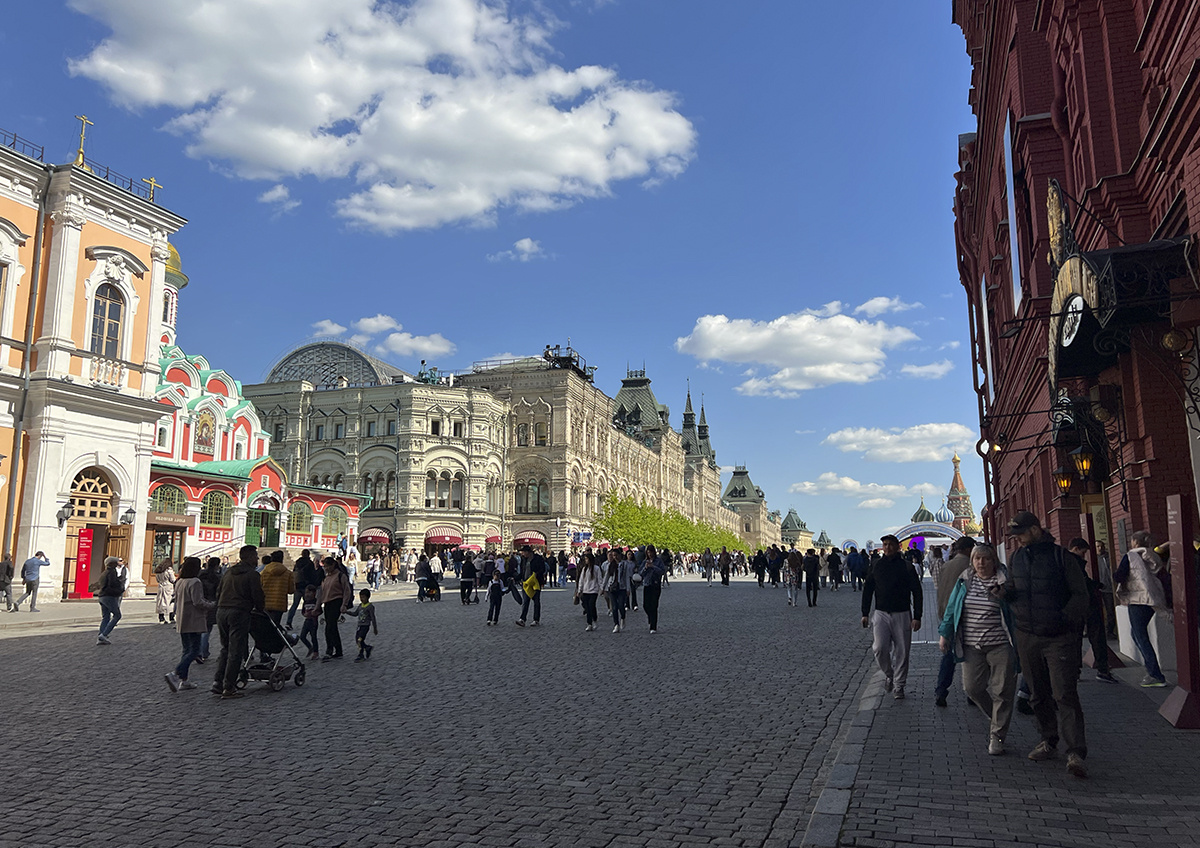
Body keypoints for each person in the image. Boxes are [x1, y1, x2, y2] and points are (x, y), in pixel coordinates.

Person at [1003, 510, 1090, 779]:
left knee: (1064, 693)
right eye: (1014, 536)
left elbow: (1080, 595)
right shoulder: (1016, 558)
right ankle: (1048, 740)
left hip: (1057, 637)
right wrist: (1005, 593)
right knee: (1038, 693)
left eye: (1021, 534)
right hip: (1027, 635)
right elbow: (1013, 587)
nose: (1017, 540)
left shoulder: (1061, 557)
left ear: (1035, 530)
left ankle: (1075, 751)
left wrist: (1064, 620)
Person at [938, 544, 1016, 755]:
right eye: (977, 559)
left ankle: (997, 736)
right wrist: (945, 633)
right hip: (972, 644)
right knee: (972, 688)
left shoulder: (1005, 582)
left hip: (1001, 643)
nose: (981, 563)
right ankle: (997, 718)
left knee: (1003, 690)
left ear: (994, 561)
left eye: (986, 559)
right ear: (972, 562)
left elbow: (1016, 608)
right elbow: (953, 608)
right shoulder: (965, 581)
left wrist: (1005, 595)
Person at [860, 535, 923, 700]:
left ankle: (899, 685)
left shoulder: (907, 567)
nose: (887, 548)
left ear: (897, 547)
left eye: (890, 545)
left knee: (902, 652)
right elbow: (868, 589)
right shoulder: (876, 565)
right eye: (885, 544)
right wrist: (865, 613)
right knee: (879, 648)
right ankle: (889, 674)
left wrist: (917, 616)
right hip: (880, 613)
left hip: (902, 613)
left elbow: (917, 592)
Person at [1113, 529, 1170, 688]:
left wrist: (1114, 575)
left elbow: (1119, 576)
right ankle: (1152, 670)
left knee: (1140, 636)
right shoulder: (1153, 555)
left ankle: (1155, 674)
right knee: (1137, 634)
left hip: (1137, 600)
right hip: (1152, 599)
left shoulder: (1130, 556)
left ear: (1135, 542)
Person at [212, 545, 265, 699]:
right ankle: (229, 687)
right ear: (249, 557)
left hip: (222, 611)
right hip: (239, 612)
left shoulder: (228, 572)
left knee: (225, 648)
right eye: (255, 556)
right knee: (236, 650)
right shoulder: (252, 575)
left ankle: (218, 681)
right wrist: (260, 609)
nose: (257, 559)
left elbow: (218, 591)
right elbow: (258, 596)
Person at [1066, 538, 1118, 684]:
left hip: (1075, 606)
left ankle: (1075, 671)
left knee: (1076, 638)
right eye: (1083, 551)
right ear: (1076, 548)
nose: (1084, 555)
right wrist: (1096, 585)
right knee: (1096, 634)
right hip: (1086, 604)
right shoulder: (1074, 562)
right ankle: (1103, 670)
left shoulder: (1065, 561)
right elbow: (1082, 583)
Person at [933, 536, 976, 706]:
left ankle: (941, 690)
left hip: (946, 615)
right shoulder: (970, 566)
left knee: (949, 656)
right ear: (968, 549)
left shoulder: (946, 565)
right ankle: (972, 692)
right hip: (965, 616)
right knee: (970, 657)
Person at [166, 557, 216, 692]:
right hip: (193, 618)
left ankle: (184, 680)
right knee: (194, 649)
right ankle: (176, 673)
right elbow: (198, 602)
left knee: (186, 649)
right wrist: (212, 605)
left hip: (182, 618)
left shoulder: (180, 581)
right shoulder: (195, 582)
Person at [318, 555, 353, 660]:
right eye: (325, 566)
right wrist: (318, 605)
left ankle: (330, 650)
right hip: (327, 603)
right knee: (331, 627)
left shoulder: (340, 576)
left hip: (337, 602)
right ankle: (338, 650)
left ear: (333, 565)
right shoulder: (326, 578)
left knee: (330, 627)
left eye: (328, 566)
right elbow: (322, 592)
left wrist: (344, 604)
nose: (326, 568)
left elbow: (347, 591)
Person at [95, 556, 125, 645]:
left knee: (106, 616)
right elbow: (112, 584)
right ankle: (104, 634)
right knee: (117, 615)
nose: (117, 563)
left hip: (102, 596)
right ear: (112, 563)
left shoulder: (104, 572)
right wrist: (119, 589)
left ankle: (101, 636)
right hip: (109, 596)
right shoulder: (112, 572)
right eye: (116, 562)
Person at [197, 557, 221, 663]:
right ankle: (203, 652)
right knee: (207, 630)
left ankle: (200, 652)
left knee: (200, 629)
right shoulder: (217, 577)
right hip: (212, 604)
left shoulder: (200, 575)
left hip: (201, 603)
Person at [516, 545, 547, 627]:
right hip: (526, 583)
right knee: (525, 601)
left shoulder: (538, 559)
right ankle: (522, 619)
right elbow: (522, 571)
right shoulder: (523, 560)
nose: (522, 554)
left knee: (536, 601)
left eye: (523, 552)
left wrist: (536, 574)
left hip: (535, 583)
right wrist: (517, 578)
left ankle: (536, 619)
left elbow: (543, 569)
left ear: (528, 552)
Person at [639, 545, 668, 634]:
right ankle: (650, 618)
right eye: (648, 552)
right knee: (646, 605)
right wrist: (646, 568)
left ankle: (653, 626)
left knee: (654, 605)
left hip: (655, 585)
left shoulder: (658, 561)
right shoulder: (645, 562)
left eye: (651, 552)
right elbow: (641, 574)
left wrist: (653, 567)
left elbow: (662, 572)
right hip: (647, 584)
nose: (650, 554)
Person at [286, 549, 317, 629]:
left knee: (295, 604)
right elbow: (313, 575)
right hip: (306, 586)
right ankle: (309, 620)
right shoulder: (309, 563)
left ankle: (288, 622)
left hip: (297, 585)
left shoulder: (297, 562)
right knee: (308, 603)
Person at [260, 550, 292, 628]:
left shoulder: (263, 572)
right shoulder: (288, 573)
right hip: (279, 603)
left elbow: (259, 586)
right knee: (275, 627)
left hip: (265, 602)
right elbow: (291, 590)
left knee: (265, 626)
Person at [604, 548, 631, 633]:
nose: (614, 557)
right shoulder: (610, 565)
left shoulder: (624, 564)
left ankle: (623, 617)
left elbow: (627, 577)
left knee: (621, 606)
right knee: (614, 607)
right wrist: (603, 587)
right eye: (613, 555)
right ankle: (616, 624)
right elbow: (607, 576)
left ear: (620, 555)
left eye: (616, 555)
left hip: (621, 587)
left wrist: (628, 589)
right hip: (612, 587)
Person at [575, 551, 603, 631]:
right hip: (585, 591)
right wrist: (579, 590)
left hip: (593, 591)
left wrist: (601, 589)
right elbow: (581, 580)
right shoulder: (584, 569)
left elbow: (599, 579)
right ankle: (589, 623)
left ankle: (594, 620)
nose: (586, 561)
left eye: (587, 559)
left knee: (591, 606)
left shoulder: (596, 568)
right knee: (587, 608)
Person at [353, 588, 378, 661]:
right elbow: (355, 613)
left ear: (367, 597)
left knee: (360, 639)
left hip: (365, 626)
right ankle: (367, 648)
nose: (361, 599)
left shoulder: (370, 607)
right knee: (357, 640)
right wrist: (347, 612)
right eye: (360, 597)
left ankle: (361, 654)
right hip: (359, 626)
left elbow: (373, 617)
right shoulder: (360, 606)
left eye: (363, 597)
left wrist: (375, 628)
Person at [298, 585, 321, 659]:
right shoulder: (305, 602)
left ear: (314, 593)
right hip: (307, 620)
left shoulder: (316, 602)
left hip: (313, 621)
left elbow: (320, 611)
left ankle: (315, 652)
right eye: (306, 593)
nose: (307, 594)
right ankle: (309, 647)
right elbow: (303, 612)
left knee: (313, 637)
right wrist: (305, 614)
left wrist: (314, 613)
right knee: (302, 636)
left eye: (309, 592)